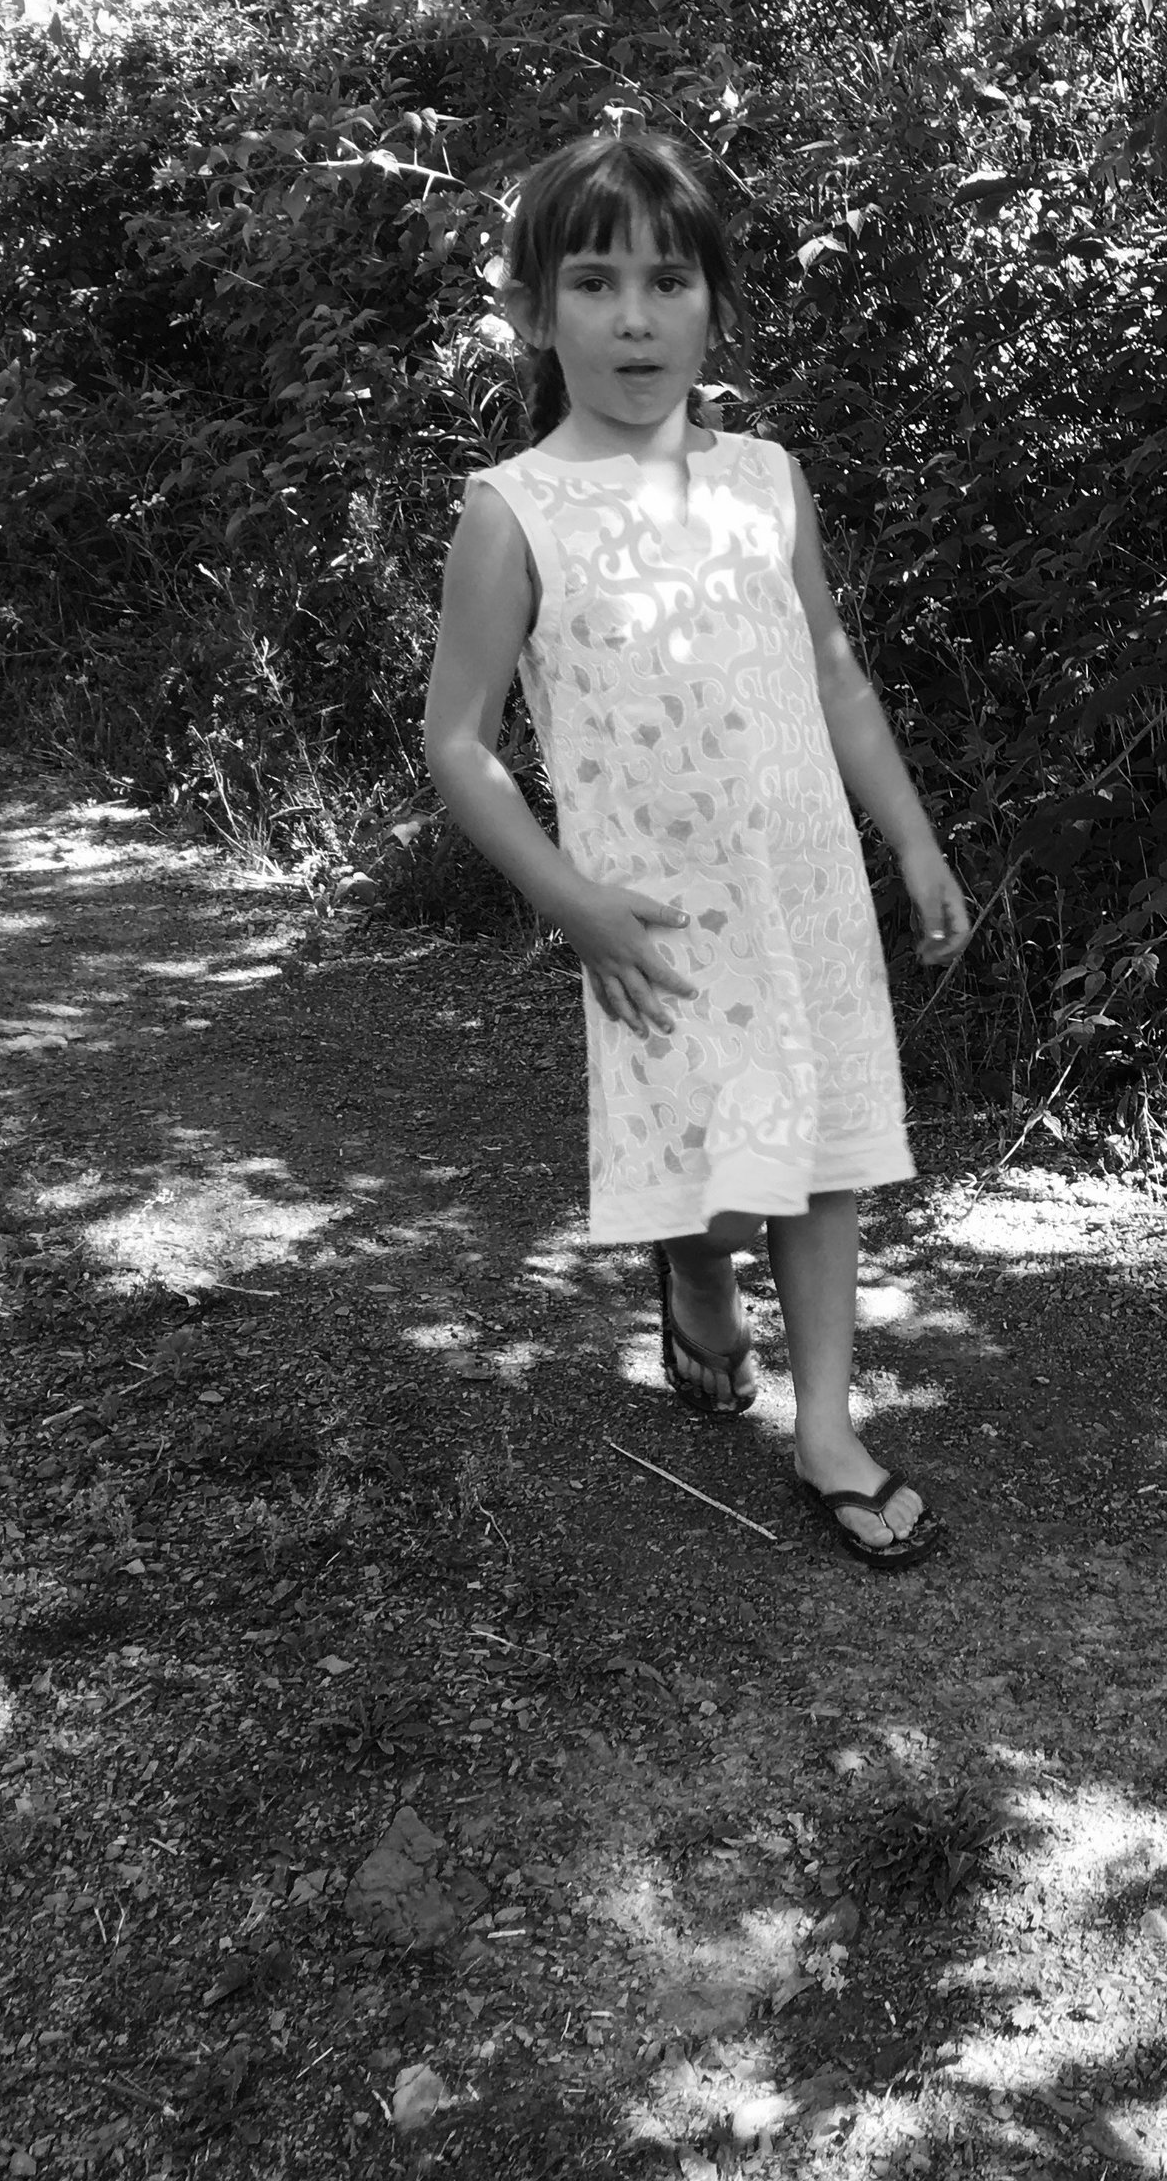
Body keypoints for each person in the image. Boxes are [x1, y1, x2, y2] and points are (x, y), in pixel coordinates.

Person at [424, 130, 971, 1573]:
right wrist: (569, 905)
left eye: (668, 281)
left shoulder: (766, 479)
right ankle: (695, 1279)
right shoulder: (515, 510)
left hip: (801, 884)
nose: (634, 317)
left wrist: (909, 839)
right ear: (537, 311)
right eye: (593, 282)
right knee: (718, 1158)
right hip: (652, 911)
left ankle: (827, 1425)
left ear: (713, 304)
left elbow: (837, 672)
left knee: (826, 1148)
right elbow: (459, 743)